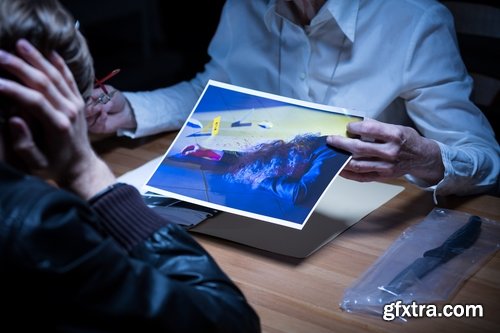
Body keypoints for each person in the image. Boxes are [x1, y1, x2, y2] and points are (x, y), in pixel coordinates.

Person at [0, 0, 260, 332]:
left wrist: (132, 111)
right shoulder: (37, 224)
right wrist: (86, 172)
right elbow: (230, 321)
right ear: (51, 114)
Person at [85, 0, 499, 199]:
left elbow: (485, 158)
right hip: (253, 193)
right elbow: (212, 91)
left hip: (361, 217)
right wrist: (131, 110)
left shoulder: (414, 21)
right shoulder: (244, 6)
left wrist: (426, 157)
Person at [176, 133, 349, 204]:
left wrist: (262, 179)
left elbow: (299, 193)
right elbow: (257, 160)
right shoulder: (294, 152)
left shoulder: (328, 153)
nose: (284, 175)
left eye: (282, 174)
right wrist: (210, 153)